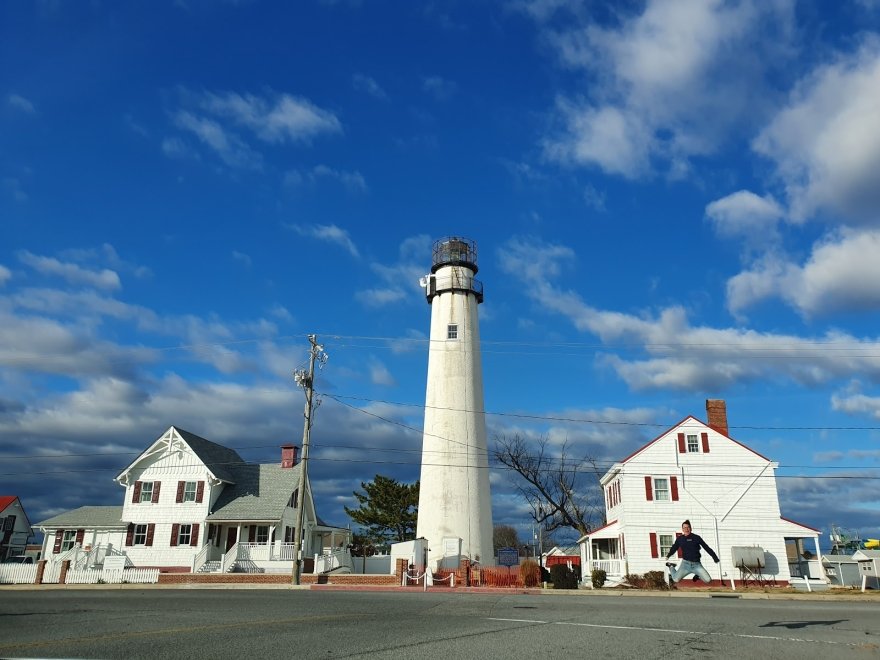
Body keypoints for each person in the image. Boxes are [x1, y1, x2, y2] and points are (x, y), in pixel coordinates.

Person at [665, 520, 719, 584]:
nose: (686, 529)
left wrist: (714, 557)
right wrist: (668, 555)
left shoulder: (696, 538)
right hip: (685, 565)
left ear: (691, 528)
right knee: (675, 579)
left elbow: (706, 548)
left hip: (697, 565)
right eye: (684, 528)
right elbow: (674, 548)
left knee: (708, 580)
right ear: (682, 529)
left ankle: (697, 575)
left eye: (688, 527)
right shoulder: (680, 539)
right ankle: (671, 566)